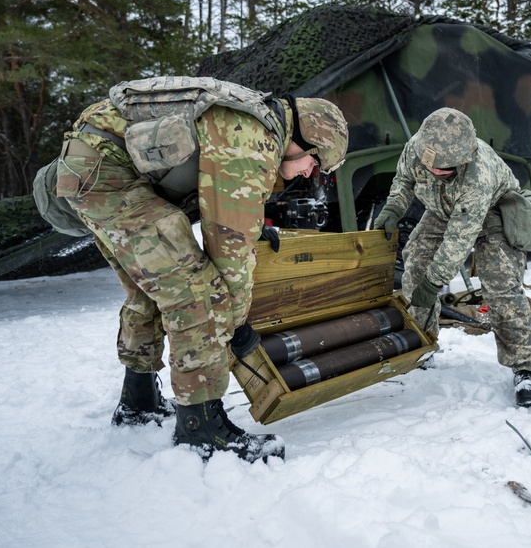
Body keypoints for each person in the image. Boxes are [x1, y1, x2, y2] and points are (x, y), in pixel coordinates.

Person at [54, 77, 348, 462]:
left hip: (92, 168)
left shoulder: (253, 119)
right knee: (196, 293)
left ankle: (137, 401)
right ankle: (202, 430)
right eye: (317, 164)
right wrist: (238, 326)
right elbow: (230, 252)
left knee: (154, 289)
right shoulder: (252, 137)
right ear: (308, 139)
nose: (311, 175)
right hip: (105, 176)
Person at [373, 108, 531, 407]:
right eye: (432, 166)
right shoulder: (418, 147)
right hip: (443, 211)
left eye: (445, 169)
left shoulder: (478, 173)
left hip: (494, 214)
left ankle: (526, 368)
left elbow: (459, 239)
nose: (435, 172)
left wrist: (435, 281)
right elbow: (404, 180)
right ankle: (422, 344)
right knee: (415, 263)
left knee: (501, 287)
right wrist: (392, 210)